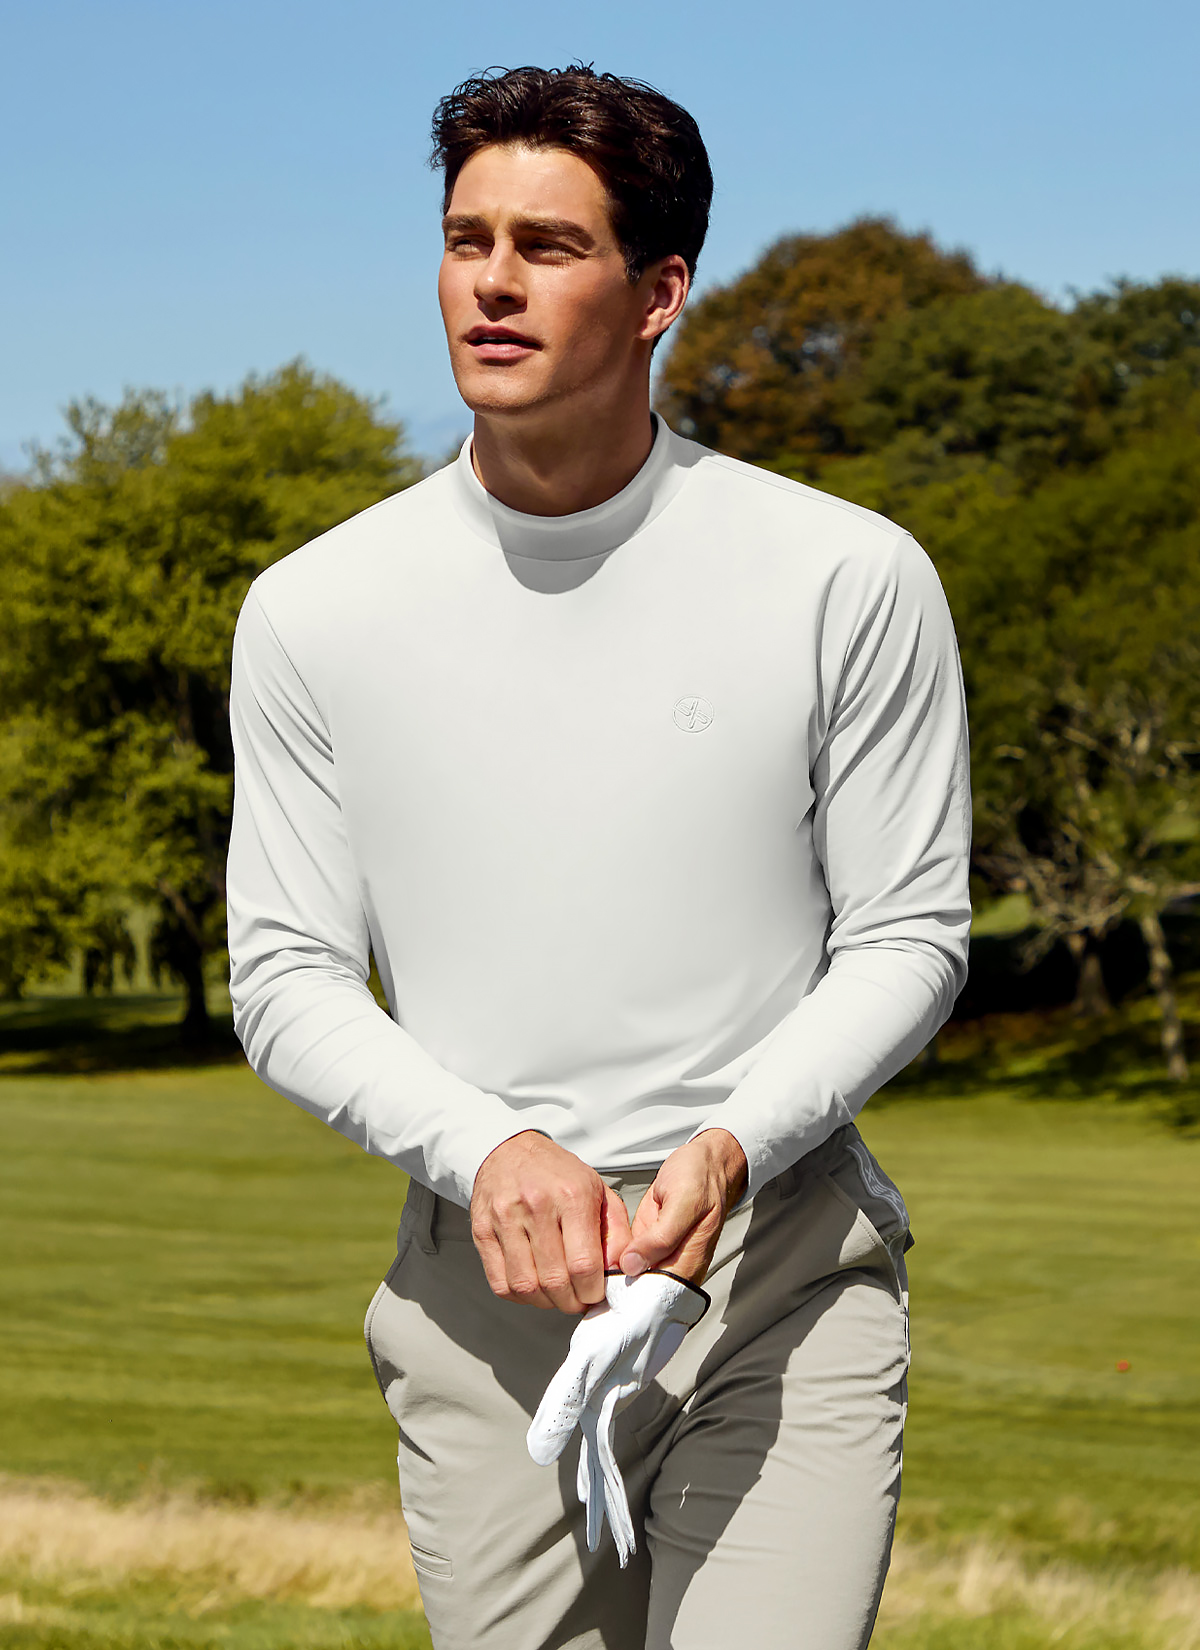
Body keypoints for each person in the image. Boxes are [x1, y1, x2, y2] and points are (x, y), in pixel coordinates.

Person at [225, 63, 971, 1650]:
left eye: (548, 246)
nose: (490, 282)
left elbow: (909, 934)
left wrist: (733, 1144)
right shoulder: (313, 608)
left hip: (776, 1277)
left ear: (658, 293)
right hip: (480, 1306)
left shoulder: (847, 576)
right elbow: (285, 973)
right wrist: (487, 1148)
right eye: (466, 239)